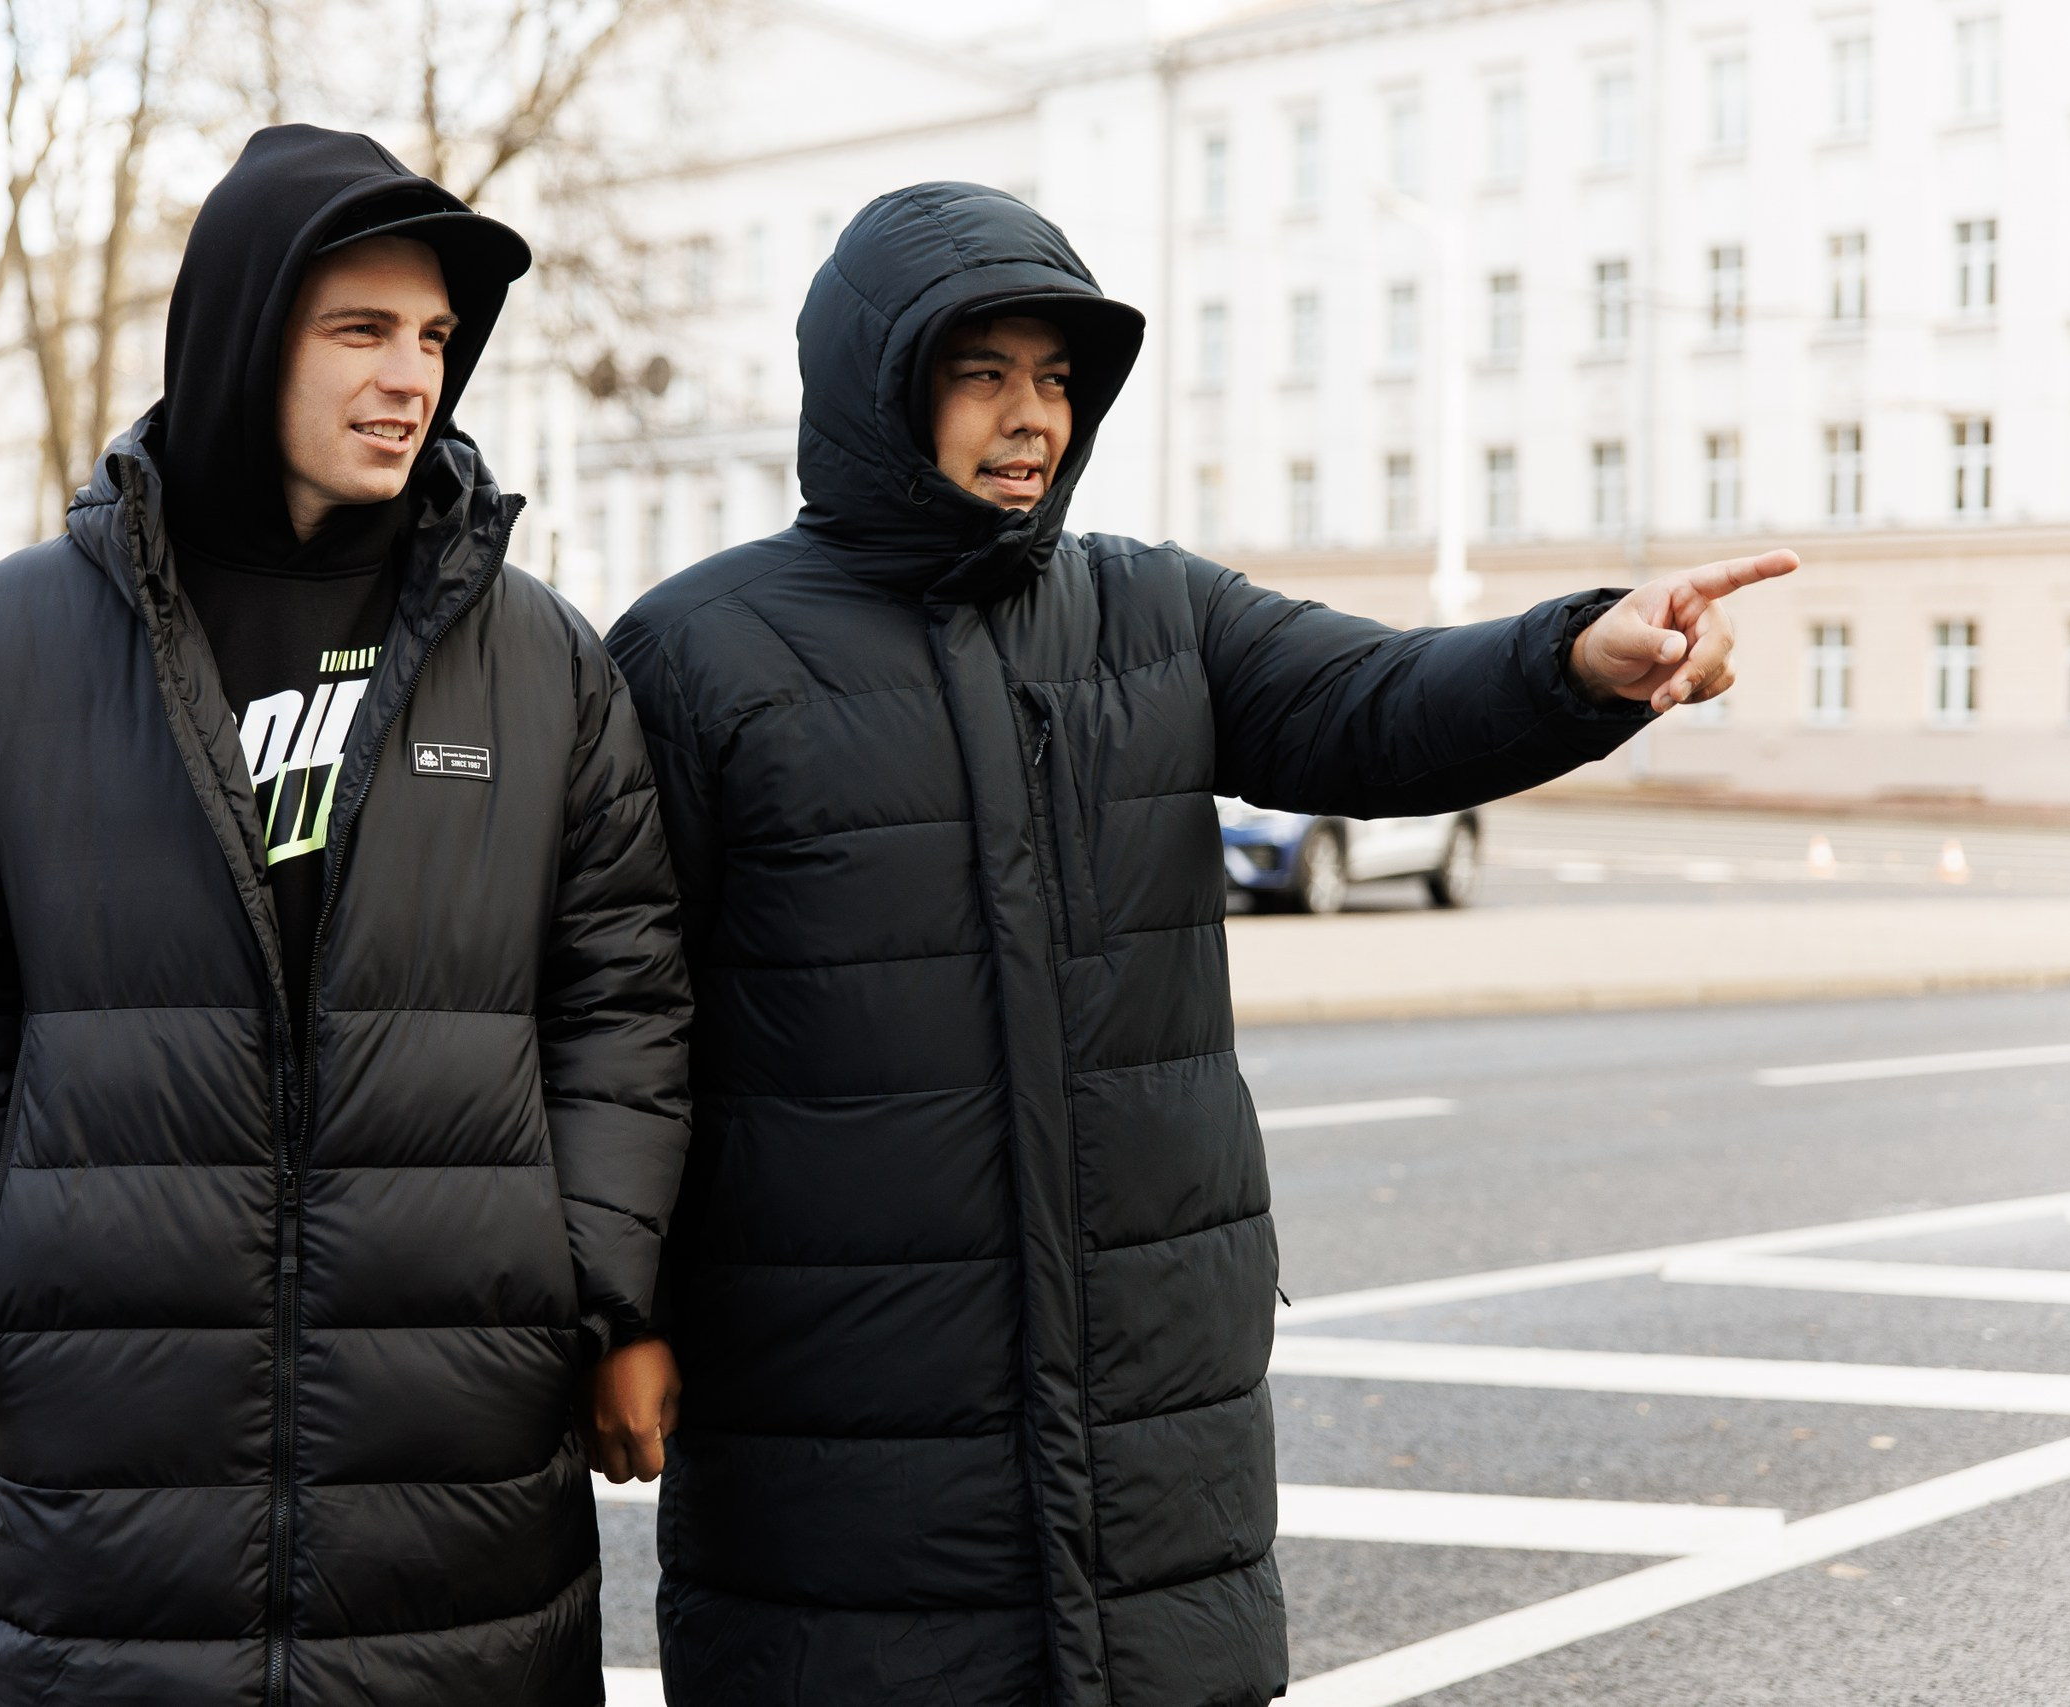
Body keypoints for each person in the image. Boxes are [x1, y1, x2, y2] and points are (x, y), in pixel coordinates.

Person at [606, 181, 1796, 1707]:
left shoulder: (1152, 614)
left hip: (1145, 1392)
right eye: (983, 374)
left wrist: (1576, 659)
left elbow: (1378, 705)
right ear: (874, 383)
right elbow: (624, 1010)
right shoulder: (704, 651)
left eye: (1056, 380)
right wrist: (620, 1315)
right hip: (838, 1397)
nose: (1031, 416)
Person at [0, 124, 690, 1704]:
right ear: (241, 340)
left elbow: (622, 989)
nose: (410, 375)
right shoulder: (17, 643)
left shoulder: (542, 662)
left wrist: (586, 1280)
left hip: (454, 1456)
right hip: (102, 1463)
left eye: (434, 337)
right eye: (358, 329)